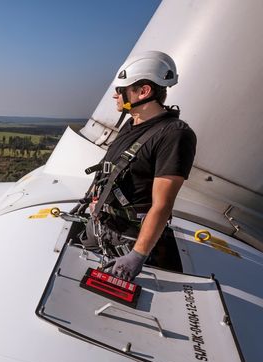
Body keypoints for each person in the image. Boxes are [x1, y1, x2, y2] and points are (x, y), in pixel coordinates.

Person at [82, 51, 197, 281]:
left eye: (121, 89)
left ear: (144, 91)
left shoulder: (174, 135)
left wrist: (138, 255)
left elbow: (162, 204)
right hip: (102, 227)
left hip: (129, 239)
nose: (115, 96)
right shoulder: (131, 123)